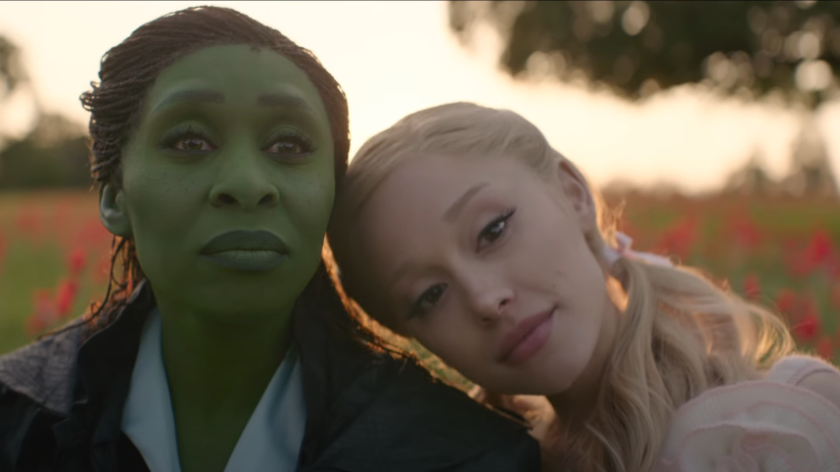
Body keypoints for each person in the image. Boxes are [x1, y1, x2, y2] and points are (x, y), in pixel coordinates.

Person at [0, 10, 541, 472]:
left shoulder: (470, 457)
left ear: (331, 195)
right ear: (115, 195)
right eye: (190, 141)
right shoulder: (15, 414)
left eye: (288, 145)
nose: (246, 184)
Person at [327, 102, 840, 471]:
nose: (485, 300)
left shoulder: (794, 427)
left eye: (493, 231)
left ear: (572, 193)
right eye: (430, 296)